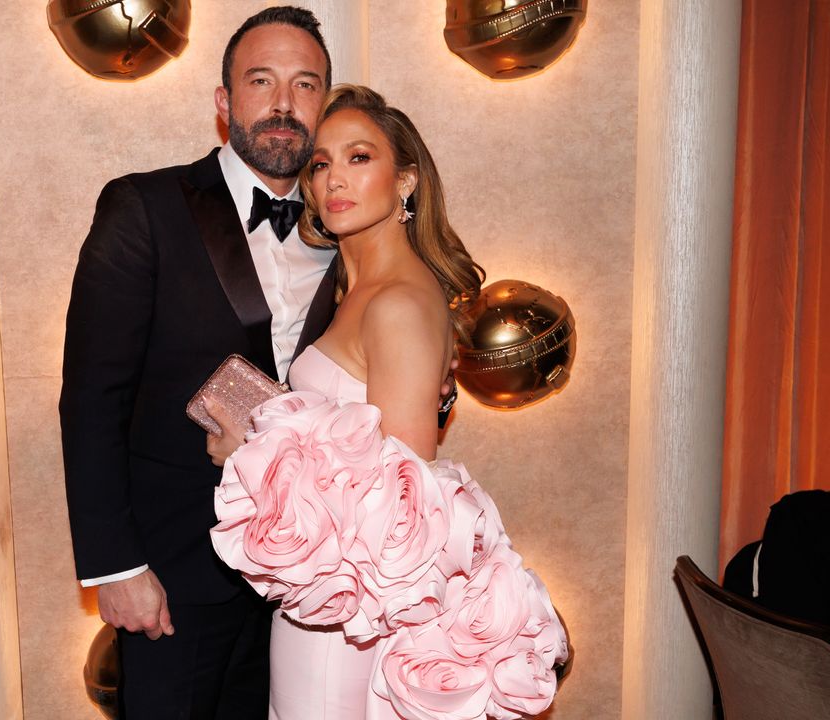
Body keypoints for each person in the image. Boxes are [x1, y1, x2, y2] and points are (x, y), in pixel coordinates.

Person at [208, 86, 567, 719]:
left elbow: (404, 505)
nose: (334, 180)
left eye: (359, 157)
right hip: (332, 604)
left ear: (406, 180)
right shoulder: (362, 288)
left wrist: (254, 455)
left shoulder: (397, 302)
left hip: (348, 619)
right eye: (320, 164)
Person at [59, 7, 336, 719]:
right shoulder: (144, 207)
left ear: (324, 105)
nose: (283, 104)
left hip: (305, 587)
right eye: (261, 81)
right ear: (224, 103)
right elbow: (93, 398)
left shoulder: (349, 228)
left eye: (305, 85)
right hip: (173, 579)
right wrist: (117, 567)